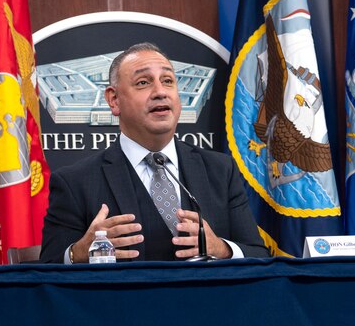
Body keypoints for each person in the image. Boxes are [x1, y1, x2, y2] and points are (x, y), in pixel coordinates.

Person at [40, 43, 268, 263]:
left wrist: (222, 248)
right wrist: (78, 252)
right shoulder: (75, 182)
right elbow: (47, 268)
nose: (160, 92)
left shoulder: (220, 171)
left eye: (168, 81)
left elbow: (259, 256)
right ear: (114, 100)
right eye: (143, 83)